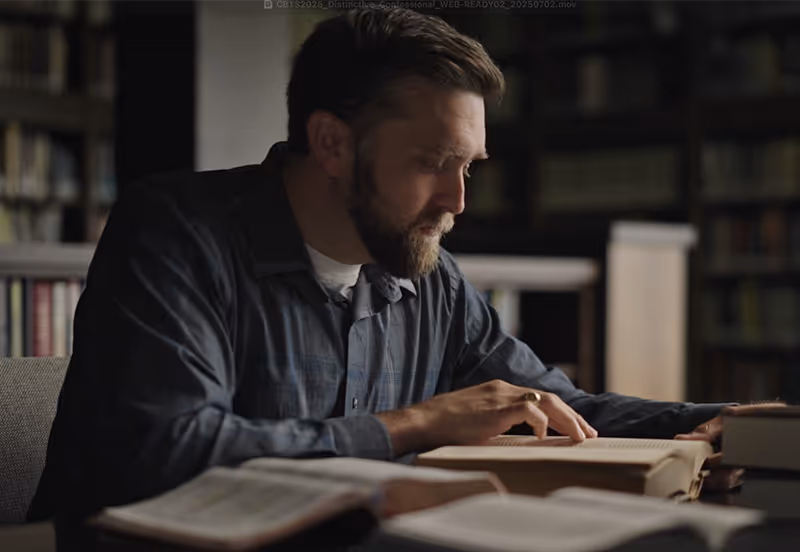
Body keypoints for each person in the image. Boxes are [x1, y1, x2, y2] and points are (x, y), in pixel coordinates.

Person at [29, 7, 737, 549]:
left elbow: (555, 405)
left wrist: (723, 425)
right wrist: (415, 425)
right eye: (433, 161)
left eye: (470, 166)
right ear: (333, 142)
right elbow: (164, 453)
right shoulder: (175, 233)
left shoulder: (430, 277)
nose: (459, 200)